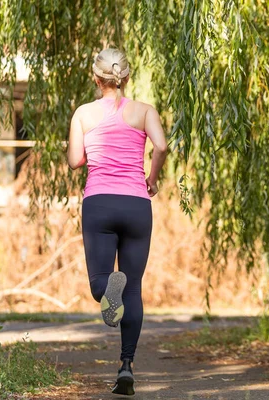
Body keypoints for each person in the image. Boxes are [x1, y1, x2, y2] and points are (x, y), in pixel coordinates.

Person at [67, 48, 167, 396]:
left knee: (101, 285)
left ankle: (109, 285)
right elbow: (162, 145)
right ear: (126, 76)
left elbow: (76, 160)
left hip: (100, 203)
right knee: (134, 288)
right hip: (137, 204)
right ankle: (126, 366)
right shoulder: (144, 111)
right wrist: (151, 177)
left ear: (96, 78)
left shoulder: (83, 113)